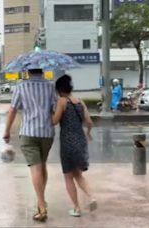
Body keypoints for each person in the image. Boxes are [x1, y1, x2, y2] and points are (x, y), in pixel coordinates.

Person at [3, 68, 57, 222]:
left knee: (35, 167)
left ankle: (41, 206)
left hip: (29, 132)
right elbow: (55, 110)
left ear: (28, 72)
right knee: (42, 165)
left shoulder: (21, 87)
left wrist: (7, 131)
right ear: (41, 72)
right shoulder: (49, 87)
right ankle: (42, 199)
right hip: (47, 132)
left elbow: (13, 110)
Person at [52, 75, 97, 217]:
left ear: (59, 89)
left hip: (68, 141)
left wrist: (49, 113)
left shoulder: (62, 101)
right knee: (79, 174)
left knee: (68, 176)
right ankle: (91, 197)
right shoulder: (79, 101)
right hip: (80, 139)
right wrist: (88, 133)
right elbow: (89, 121)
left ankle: (77, 208)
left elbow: (54, 120)